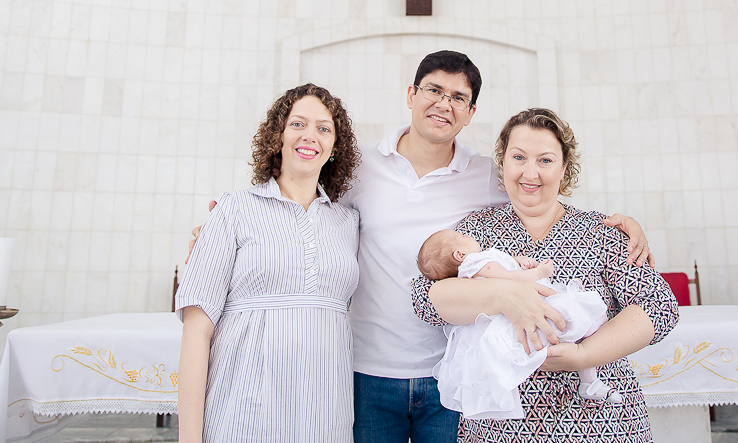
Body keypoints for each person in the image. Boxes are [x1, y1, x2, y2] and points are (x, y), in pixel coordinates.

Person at [190, 51, 653, 443]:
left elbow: (536, 190)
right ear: (411, 95)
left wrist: (623, 225)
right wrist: (224, 226)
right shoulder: (358, 167)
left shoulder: (487, 176)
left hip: (447, 370)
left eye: (458, 97)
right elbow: (300, 201)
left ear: (470, 112)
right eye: (433, 90)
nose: (443, 104)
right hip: (366, 371)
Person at [412, 108, 679, 443]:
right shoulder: (475, 231)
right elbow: (425, 300)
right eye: (518, 157)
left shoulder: (602, 232)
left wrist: (584, 356)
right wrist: (505, 297)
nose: (530, 172)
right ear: (503, 162)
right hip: (502, 431)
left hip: (600, 424)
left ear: (565, 167)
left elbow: (659, 307)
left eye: (545, 160)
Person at [176, 84, 361, 443]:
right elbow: (197, 331)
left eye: (324, 128)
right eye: (298, 124)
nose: (310, 136)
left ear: (335, 147)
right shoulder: (232, 209)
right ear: (278, 136)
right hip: (244, 409)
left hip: (325, 412)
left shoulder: (349, 222)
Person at [417, 230, 623, 420]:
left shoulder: (479, 262)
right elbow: (511, 278)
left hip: (526, 308)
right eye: (461, 236)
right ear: (459, 254)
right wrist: (540, 272)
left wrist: (519, 261)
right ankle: (588, 380)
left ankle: (589, 381)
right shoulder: (477, 262)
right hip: (525, 311)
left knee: (585, 323)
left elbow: (504, 265)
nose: (467, 235)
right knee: (587, 315)